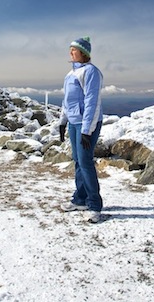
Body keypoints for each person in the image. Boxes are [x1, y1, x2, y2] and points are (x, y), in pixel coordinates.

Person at [58, 36, 104, 223]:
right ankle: (80, 199)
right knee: (78, 161)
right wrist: (63, 122)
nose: (71, 52)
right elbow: (67, 101)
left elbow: (92, 102)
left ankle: (94, 204)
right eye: (70, 49)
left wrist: (87, 130)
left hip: (87, 123)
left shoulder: (91, 72)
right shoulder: (71, 74)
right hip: (74, 123)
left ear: (83, 53)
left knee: (85, 161)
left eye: (74, 50)